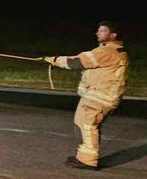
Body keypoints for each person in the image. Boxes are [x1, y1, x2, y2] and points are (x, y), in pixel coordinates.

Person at [44, 21, 129, 170]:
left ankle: (88, 160)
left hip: (99, 98)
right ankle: (84, 157)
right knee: (88, 126)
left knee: (87, 126)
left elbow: (77, 62)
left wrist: (55, 60)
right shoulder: (114, 51)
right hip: (103, 96)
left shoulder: (106, 52)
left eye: (102, 31)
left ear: (113, 35)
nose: (98, 33)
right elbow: (82, 59)